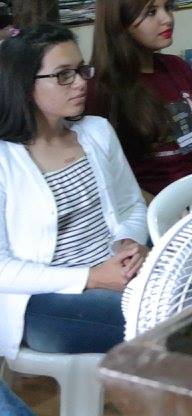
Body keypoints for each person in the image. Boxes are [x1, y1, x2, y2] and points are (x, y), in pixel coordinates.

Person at [0, 24, 148, 362]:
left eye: (81, 70)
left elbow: (131, 206)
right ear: (24, 84)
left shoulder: (97, 131)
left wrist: (128, 244)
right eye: (64, 75)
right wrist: (92, 278)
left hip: (114, 272)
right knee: (161, 317)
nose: (81, 82)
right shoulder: (5, 160)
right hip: (41, 300)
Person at [87, 0, 192, 196]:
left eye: (168, 7)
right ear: (120, 23)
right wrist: (168, 212)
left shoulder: (178, 67)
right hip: (151, 206)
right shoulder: (101, 88)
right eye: (151, 12)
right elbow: (113, 181)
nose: (167, 19)